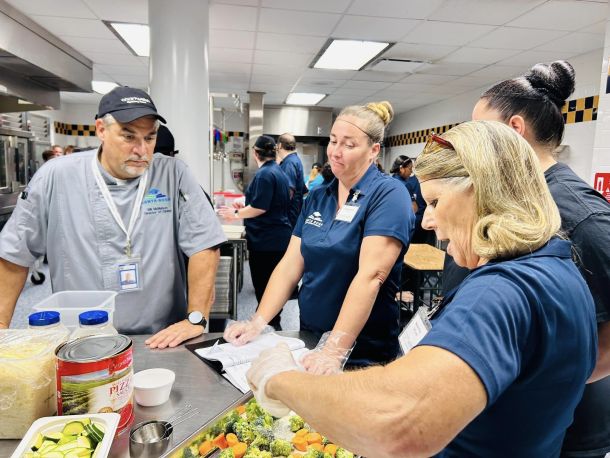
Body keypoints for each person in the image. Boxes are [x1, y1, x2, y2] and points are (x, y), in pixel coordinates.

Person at [247, 121, 597, 457]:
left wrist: (280, 379)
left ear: (484, 193)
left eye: (436, 202)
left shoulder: (498, 293)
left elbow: (399, 423)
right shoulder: (561, 268)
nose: (427, 222)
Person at [0, 86, 226, 349]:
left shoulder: (172, 174)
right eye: (128, 136)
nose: (141, 150)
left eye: (150, 137)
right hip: (80, 337)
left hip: (162, 338)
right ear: (101, 130)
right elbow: (15, 252)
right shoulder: (57, 176)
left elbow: (204, 245)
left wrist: (196, 318)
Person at [471, 60, 610, 458]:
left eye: (481, 131)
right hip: (512, 415)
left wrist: (543, 386)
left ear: (514, 129)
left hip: (565, 426)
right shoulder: (516, 200)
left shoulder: (582, 215)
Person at [225, 101, 414, 371]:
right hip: (310, 338)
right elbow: (290, 266)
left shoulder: (388, 195)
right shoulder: (318, 197)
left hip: (360, 350)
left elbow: (371, 277)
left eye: (349, 145)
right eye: (333, 141)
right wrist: (258, 322)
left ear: (373, 151)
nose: (335, 152)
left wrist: (334, 350)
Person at [218, 135, 291, 331]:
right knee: (271, 288)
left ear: (255, 153)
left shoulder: (265, 174)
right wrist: (245, 204)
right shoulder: (277, 172)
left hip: (267, 242)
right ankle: (269, 324)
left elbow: (260, 207)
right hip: (276, 239)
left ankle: (269, 326)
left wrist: (235, 213)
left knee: (265, 288)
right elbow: (266, 201)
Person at [277, 133, 305, 227]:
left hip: (288, 215)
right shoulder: (295, 160)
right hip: (293, 213)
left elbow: (288, 191)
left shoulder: (289, 163)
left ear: (279, 145)